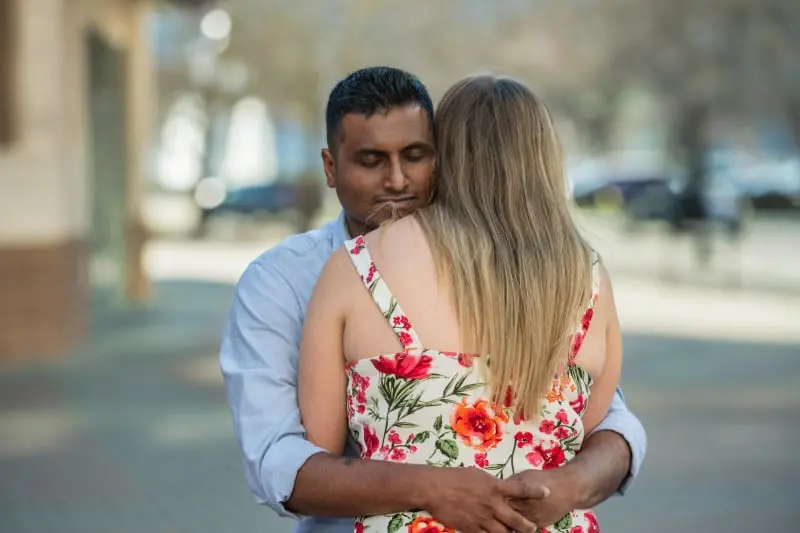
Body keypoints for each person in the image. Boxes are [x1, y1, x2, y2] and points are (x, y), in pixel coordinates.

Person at [220, 67, 646, 533]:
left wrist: (571, 483)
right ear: (330, 167)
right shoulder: (280, 280)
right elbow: (281, 462)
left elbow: (610, 429)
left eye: (416, 155)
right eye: (370, 160)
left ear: (445, 157)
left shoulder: (359, 269)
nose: (397, 180)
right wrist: (437, 486)